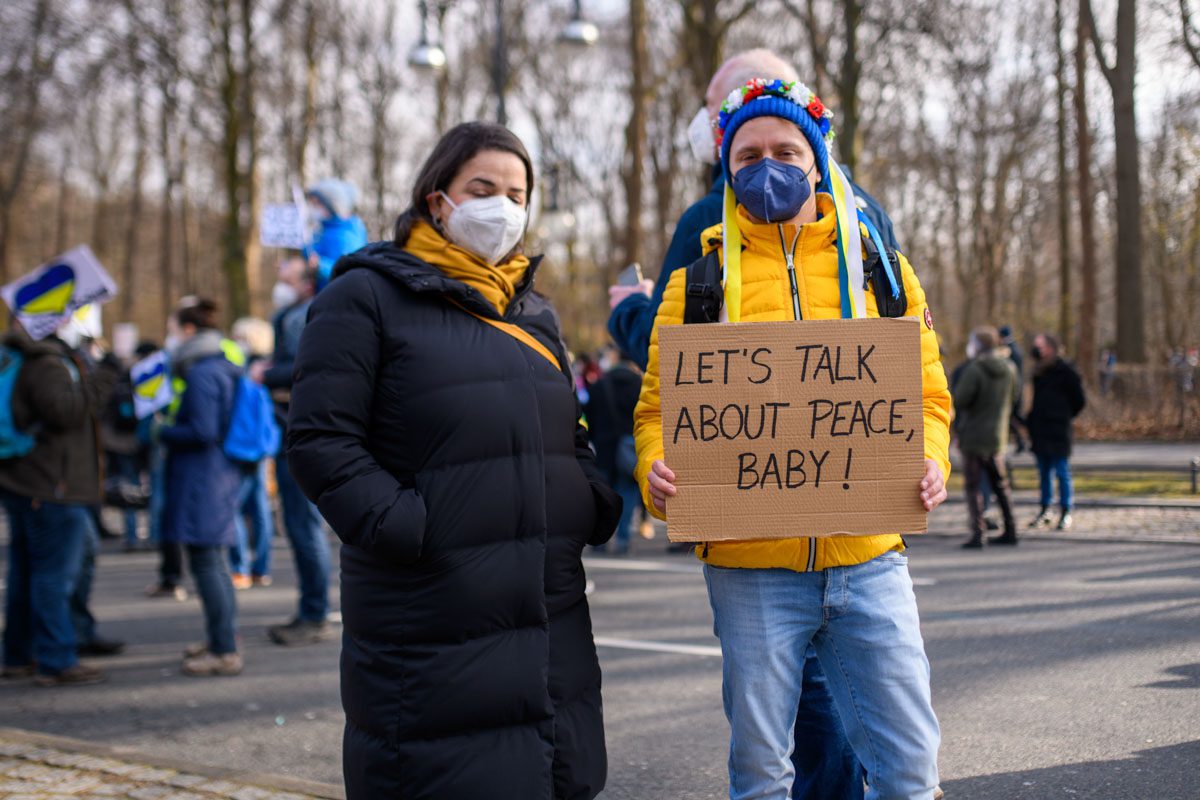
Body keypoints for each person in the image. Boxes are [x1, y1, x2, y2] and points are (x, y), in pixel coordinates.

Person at [633, 78, 951, 799]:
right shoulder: (696, 285)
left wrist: (931, 459)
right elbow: (656, 411)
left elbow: (929, 395)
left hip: (870, 559)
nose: (767, 166)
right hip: (751, 571)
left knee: (909, 771)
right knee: (762, 775)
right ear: (726, 168)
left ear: (818, 161)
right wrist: (657, 467)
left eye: (785, 149)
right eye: (748, 154)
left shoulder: (882, 273)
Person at [286, 121, 621, 799]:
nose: (501, 204)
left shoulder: (534, 313)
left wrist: (588, 494)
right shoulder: (365, 298)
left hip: (550, 611)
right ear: (438, 199)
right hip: (431, 612)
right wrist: (406, 526)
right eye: (482, 187)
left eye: (516, 192)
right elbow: (321, 440)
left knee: (555, 776)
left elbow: (571, 428)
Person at [612, 49, 870, 799]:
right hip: (769, 524)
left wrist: (626, 310)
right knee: (817, 714)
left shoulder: (708, 221)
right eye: (739, 134)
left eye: (714, 104)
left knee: (820, 708)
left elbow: (905, 359)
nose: (760, 157)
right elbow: (681, 375)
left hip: (836, 528)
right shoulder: (859, 210)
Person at [0, 317, 119, 686]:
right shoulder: (46, 363)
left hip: (30, 482)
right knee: (53, 574)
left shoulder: (23, 358)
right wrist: (105, 376)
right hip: (52, 486)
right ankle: (57, 657)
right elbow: (66, 412)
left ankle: (19, 654)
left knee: (26, 573)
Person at [249, 255, 333, 644]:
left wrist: (266, 373)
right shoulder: (299, 312)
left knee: (303, 525)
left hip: (298, 430)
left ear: (305, 283)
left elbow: (306, 365)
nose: (279, 276)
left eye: (288, 272)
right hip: (296, 428)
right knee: (301, 525)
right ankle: (310, 610)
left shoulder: (301, 315)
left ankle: (313, 614)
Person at [159, 299, 244, 676]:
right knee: (215, 563)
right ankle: (220, 638)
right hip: (217, 475)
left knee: (208, 563)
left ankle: (224, 650)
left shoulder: (202, 373)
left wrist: (163, 430)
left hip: (202, 479)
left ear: (189, 331)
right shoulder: (222, 366)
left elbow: (203, 431)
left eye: (174, 328)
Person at [953, 326, 1019, 548]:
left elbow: (961, 399)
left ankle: (978, 532)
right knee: (1001, 485)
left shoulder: (975, 369)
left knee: (973, 487)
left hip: (973, 435)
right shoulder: (1010, 369)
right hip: (997, 436)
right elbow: (1015, 397)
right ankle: (1011, 528)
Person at [229, 317, 276, 589]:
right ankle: (261, 567)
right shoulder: (272, 366)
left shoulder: (246, 369)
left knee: (234, 506)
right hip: (262, 446)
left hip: (243, 446)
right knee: (260, 509)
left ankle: (240, 567)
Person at [1025, 333, 1086, 531]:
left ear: (1051, 348)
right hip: (1040, 430)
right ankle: (1045, 509)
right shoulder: (1039, 372)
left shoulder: (1066, 371)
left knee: (1062, 471)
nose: (1036, 350)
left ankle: (1066, 510)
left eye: (1039, 346)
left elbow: (1079, 400)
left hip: (1058, 429)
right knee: (1043, 473)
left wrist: (1063, 415)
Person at [585, 352, 644, 554]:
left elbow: (589, 417)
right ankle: (623, 539)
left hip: (605, 449)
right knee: (628, 492)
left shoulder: (600, 385)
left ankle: (600, 540)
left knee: (602, 495)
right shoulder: (639, 384)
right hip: (630, 447)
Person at [305, 178, 369, 291]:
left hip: (335, 299)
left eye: (317, 204)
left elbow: (349, 272)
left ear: (332, 205)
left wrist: (320, 266)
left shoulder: (346, 236)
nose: (313, 209)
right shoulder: (321, 232)